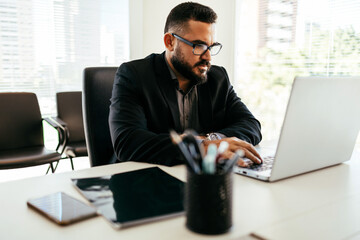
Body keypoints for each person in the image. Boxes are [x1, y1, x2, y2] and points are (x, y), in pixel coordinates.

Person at [109, 2, 262, 167]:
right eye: (199, 46)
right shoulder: (134, 75)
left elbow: (250, 124)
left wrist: (213, 141)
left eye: (211, 46)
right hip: (149, 179)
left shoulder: (218, 77)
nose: (208, 57)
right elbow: (128, 142)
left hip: (204, 177)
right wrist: (202, 147)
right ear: (170, 42)